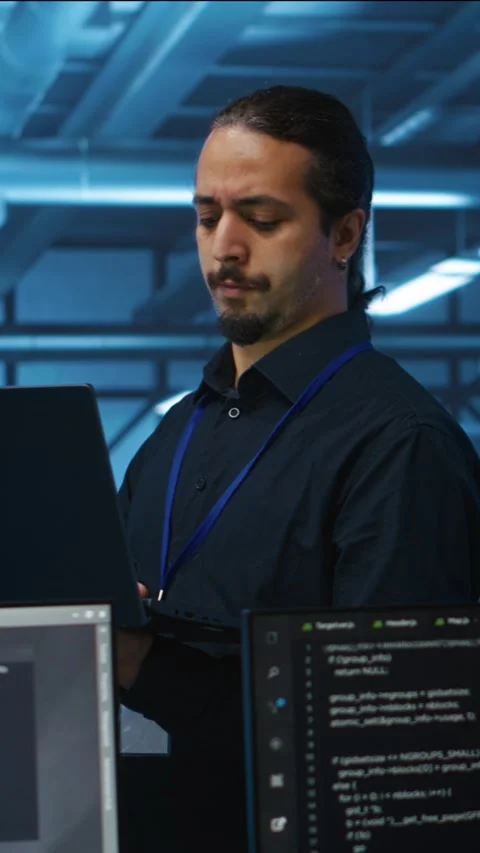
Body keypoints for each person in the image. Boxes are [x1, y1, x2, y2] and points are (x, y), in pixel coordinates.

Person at [116, 86, 480, 850]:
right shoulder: (171, 438)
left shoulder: (401, 446)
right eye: (208, 216)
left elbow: (379, 746)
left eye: (262, 218)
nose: (225, 246)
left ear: (344, 233)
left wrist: (148, 665)